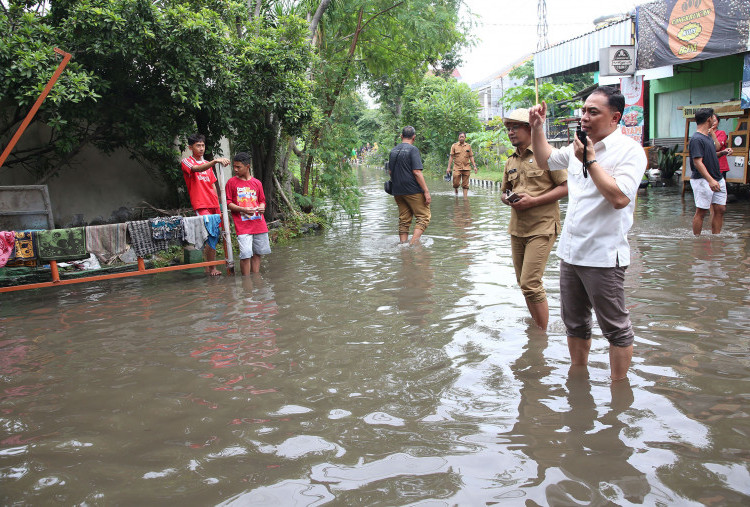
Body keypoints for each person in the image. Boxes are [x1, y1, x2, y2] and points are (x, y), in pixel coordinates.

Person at [529, 87, 647, 381]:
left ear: (615, 117)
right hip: (571, 253)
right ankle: (578, 379)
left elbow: (620, 198)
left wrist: (590, 161)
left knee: (616, 329)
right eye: (583, 110)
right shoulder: (577, 147)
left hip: (604, 257)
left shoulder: (630, 151)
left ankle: (618, 391)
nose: (584, 117)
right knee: (575, 324)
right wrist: (537, 128)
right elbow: (546, 160)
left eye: (593, 112)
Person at [500, 108, 568, 330]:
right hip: (517, 228)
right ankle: (538, 328)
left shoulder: (547, 155)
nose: (510, 132)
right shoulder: (510, 161)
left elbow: (567, 187)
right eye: (508, 128)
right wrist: (508, 198)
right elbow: (503, 191)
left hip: (542, 226)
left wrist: (535, 201)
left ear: (530, 128)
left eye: (515, 127)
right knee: (524, 284)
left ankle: (541, 336)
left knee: (531, 282)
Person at [181, 133, 230, 276]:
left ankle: (211, 267)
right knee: (209, 233)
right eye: (198, 145)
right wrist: (215, 161)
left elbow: (213, 185)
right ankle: (210, 267)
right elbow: (196, 169)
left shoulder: (208, 164)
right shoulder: (187, 162)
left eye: (203, 145)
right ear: (191, 147)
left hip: (213, 204)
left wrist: (219, 203)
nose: (201, 148)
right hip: (200, 204)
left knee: (215, 235)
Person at [225, 152, 271, 275]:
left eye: (238, 167)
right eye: (234, 166)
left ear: (247, 166)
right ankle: (247, 282)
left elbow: (262, 200)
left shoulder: (257, 183)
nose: (235, 169)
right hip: (242, 225)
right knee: (245, 254)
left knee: (257, 253)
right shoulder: (231, 182)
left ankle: (255, 279)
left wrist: (261, 207)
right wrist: (243, 209)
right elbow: (228, 203)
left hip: (259, 224)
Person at [388, 126, 431, 245]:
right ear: (414, 137)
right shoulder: (413, 150)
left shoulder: (393, 151)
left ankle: (403, 247)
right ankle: (413, 244)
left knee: (404, 220)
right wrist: (426, 191)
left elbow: (390, 172)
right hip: (412, 190)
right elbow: (417, 172)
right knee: (423, 216)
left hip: (397, 191)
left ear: (401, 136)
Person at [689, 108, 729, 236]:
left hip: (717, 178)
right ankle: (696, 240)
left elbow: (710, 155)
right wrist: (710, 180)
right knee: (701, 211)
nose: (714, 119)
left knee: (720, 209)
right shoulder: (696, 138)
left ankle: (716, 237)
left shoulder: (707, 137)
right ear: (708, 119)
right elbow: (697, 162)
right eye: (713, 117)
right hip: (702, 180)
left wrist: (722, 152)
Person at [446, 132, 478, 197]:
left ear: (465, 138)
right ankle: (456, 192)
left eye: (463, 137)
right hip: (457, 167)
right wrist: (448, 168)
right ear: (458, 138)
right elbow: (451, 157)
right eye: (460, 137)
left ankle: (465, 199)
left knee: (465, 185)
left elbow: (471, 156)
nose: (461, 138)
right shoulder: (454, 146)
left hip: (466, 167)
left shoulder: (468, 146)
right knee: (455, 183)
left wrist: (474, 166)